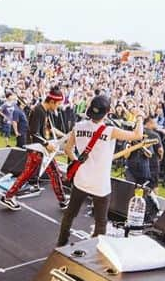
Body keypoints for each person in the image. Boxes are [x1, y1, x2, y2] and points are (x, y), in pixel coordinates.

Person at [56, 95, 144, 246]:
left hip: (81, 180)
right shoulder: (110, 131)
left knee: (70, 214)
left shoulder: (78, 127)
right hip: (100, 184)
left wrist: (78, 161)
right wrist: (140, 116)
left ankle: (61, 243)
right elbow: (138, 135)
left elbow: (68, 149)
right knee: (101, 221)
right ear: (108, 112)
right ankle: (94, 251)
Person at [0, 87, 68, 211]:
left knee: (35, 173)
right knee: (51, 173)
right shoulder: (39, 110)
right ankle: (62, 200)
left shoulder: (44, 110)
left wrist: (64, 136)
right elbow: (34, 132)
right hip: (37, 149)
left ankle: (8, 196)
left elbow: (47, 129)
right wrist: (47, 144)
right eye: (58, 104)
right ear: (52, 101)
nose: (57, 107)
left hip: (39, 148)